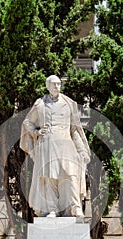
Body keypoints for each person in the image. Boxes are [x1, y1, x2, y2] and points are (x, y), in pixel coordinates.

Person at [20, 75, 90, 218]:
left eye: (58, 84)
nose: (56, 87)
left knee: (71, 175)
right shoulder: (40, 104)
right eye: (53, 84)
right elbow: (27, 122)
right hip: (48, 143)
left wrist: (82, 150)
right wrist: (36, 132)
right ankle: (52, 209)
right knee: (49, 177)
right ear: (47, 86)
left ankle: (75, 207)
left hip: (66, 143)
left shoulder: (69, 103)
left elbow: (75, 130)